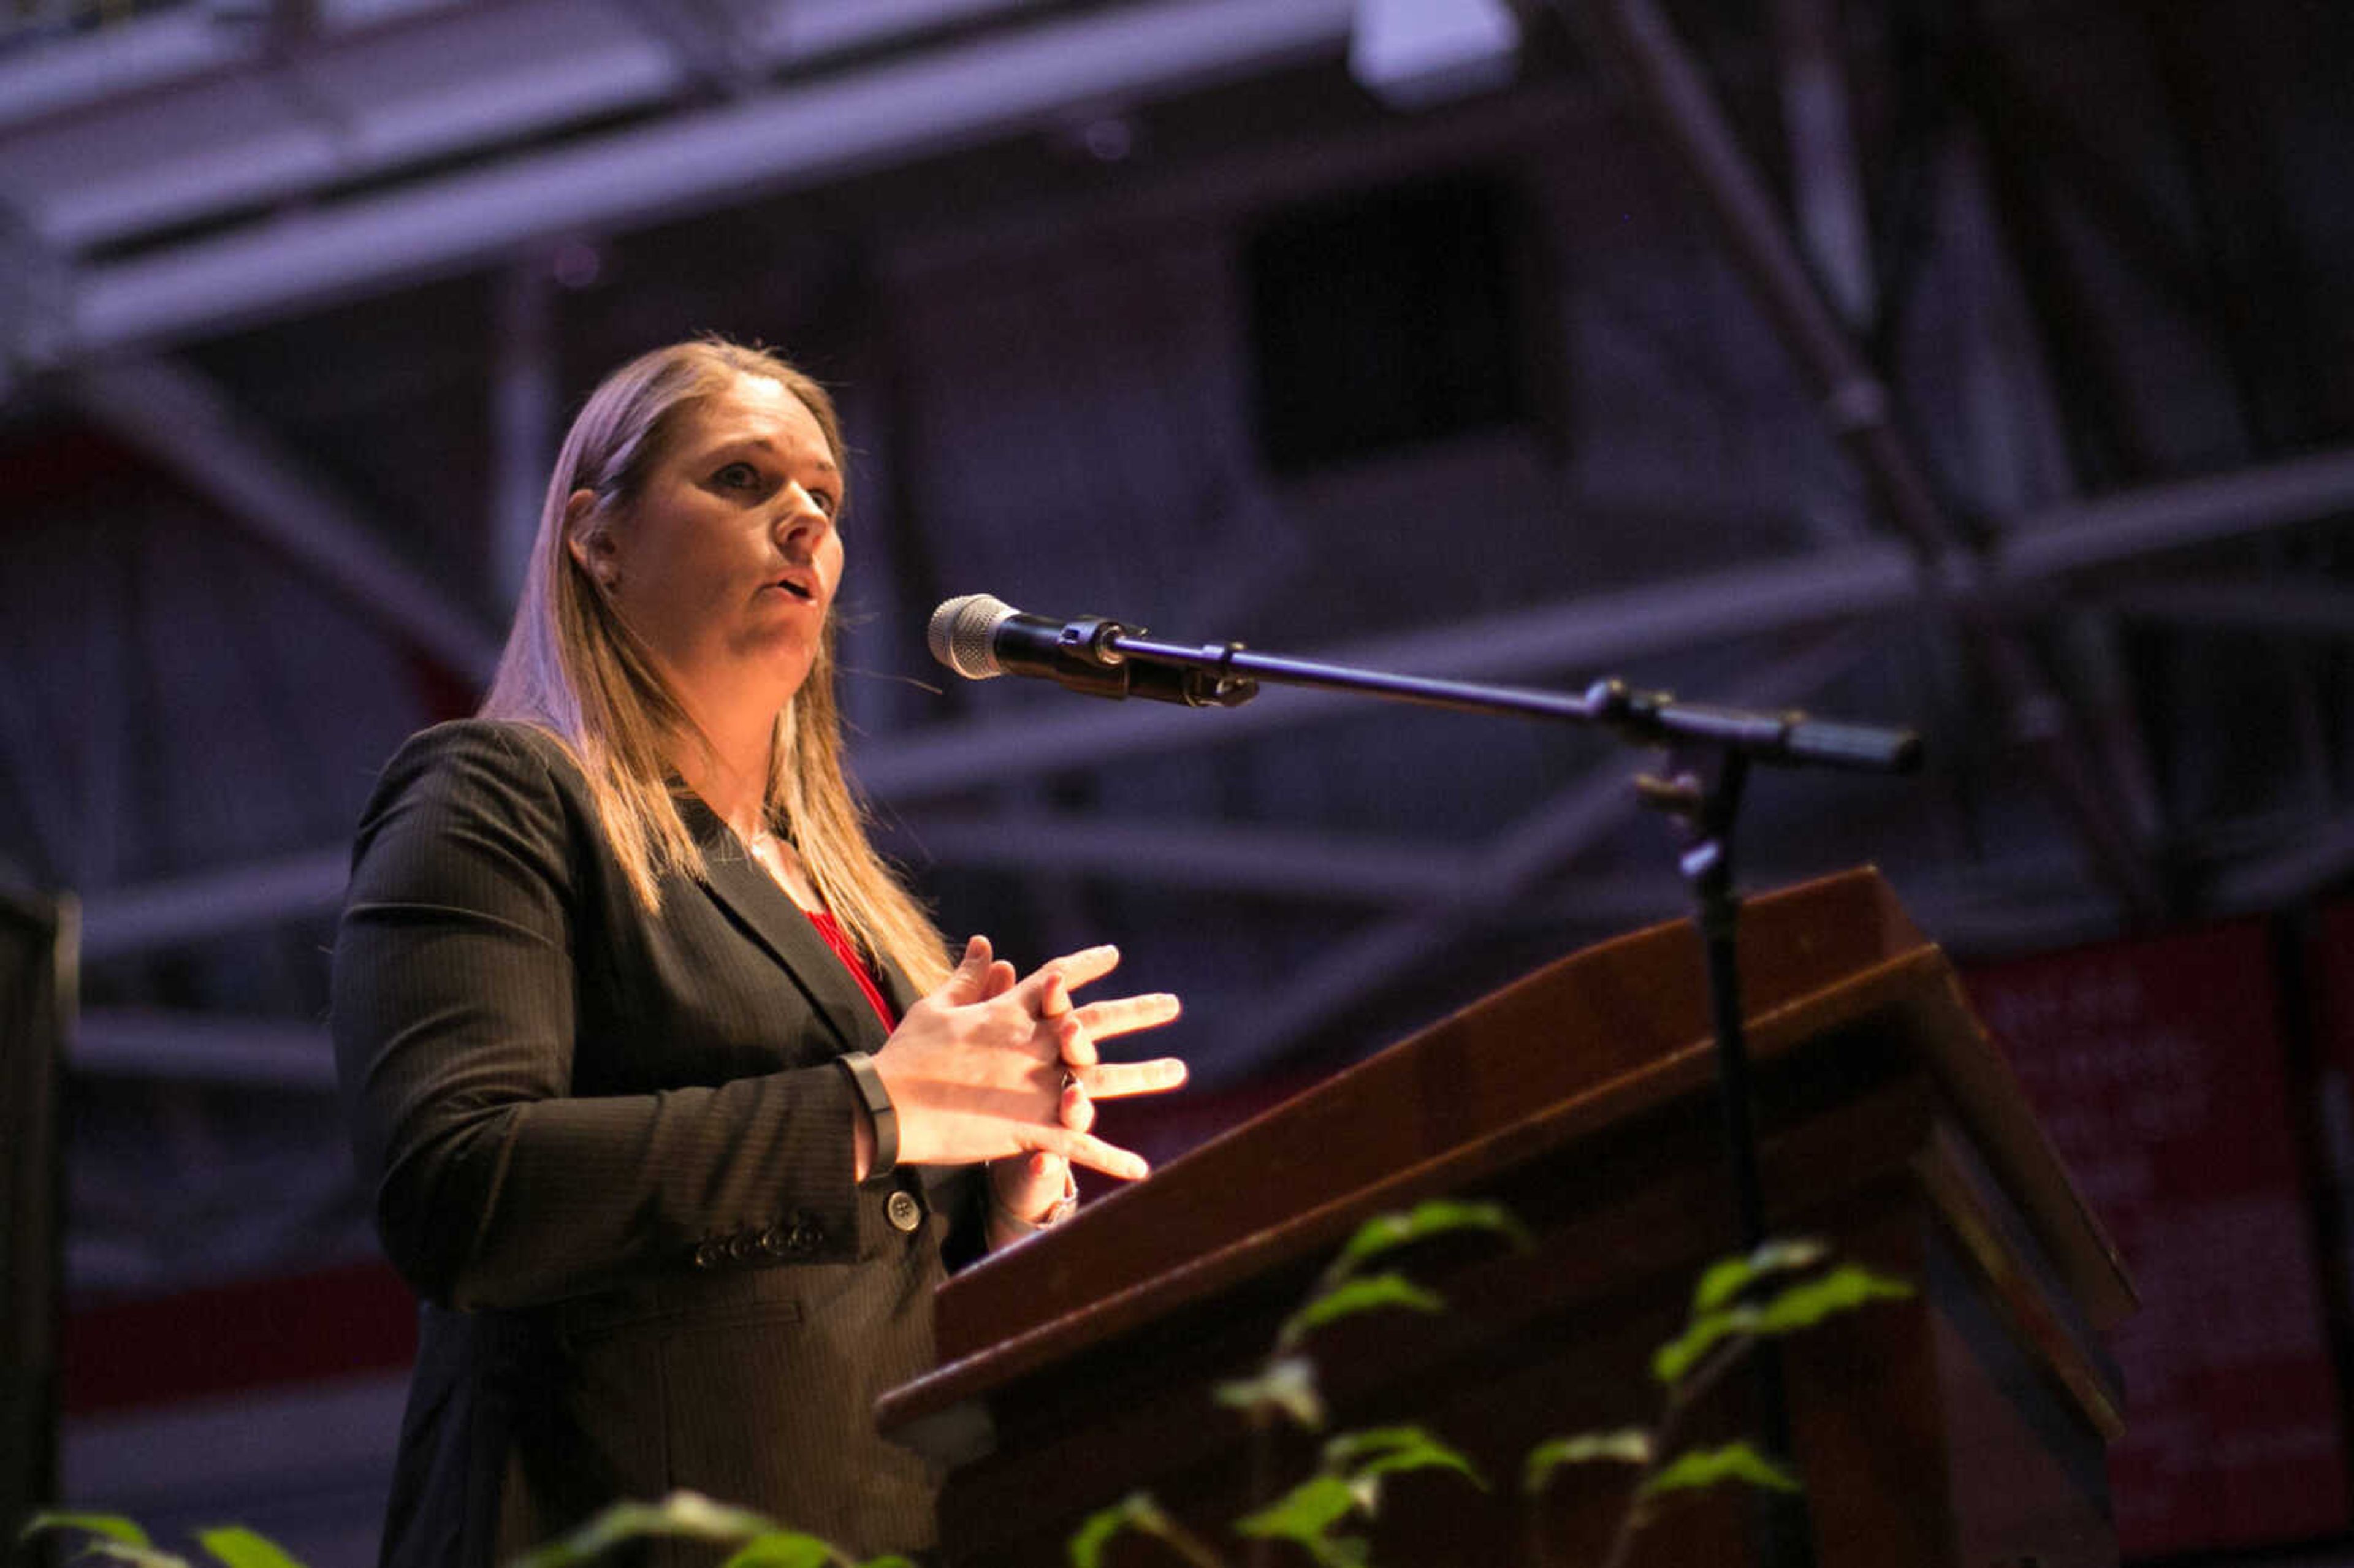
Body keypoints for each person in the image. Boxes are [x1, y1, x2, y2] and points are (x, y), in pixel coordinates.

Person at [331, 338, 1187, 1566]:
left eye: (825, 500)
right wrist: (877, 1106)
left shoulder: (854, 909)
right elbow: (458, 1186)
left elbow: (863, 1286)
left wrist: (1006, 1206)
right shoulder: (497, 794)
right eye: (741, 478)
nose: (803, 519)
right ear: (597, 536)